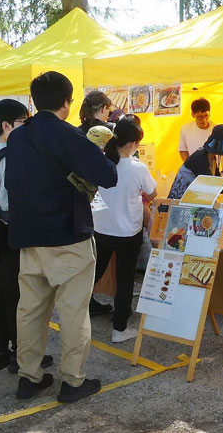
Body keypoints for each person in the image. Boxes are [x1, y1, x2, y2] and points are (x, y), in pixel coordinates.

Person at [6, 71, 118, 402]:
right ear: (67, 103)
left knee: (30, 309)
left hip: (28, 236)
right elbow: (107, 176)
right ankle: (73, 381)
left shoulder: (17, 138)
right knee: (72, 312)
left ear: (35, 100)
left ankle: (29, 376)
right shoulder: (70, 136)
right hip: (68, 236)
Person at [0, 100, 54, 375]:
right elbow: (12, 198)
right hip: (13, 231)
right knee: (21, 295)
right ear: (7, 125)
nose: (27, 126)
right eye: (23, 122)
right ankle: (20, 355)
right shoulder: (12, 155)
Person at [91, 119, 157, 343]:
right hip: (128, 232)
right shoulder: (136, 167)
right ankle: (120, 329)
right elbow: (153, 193)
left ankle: (77, 314)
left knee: (93, 273)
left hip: (100, 228)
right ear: (132, 144)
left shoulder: (100, 161)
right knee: (125, 280)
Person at [168, 124, 223, 199]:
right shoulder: (200, 158)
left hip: (190, 198)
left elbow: (217, 181)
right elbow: (211, 186)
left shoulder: (211, 157)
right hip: (180, 199)